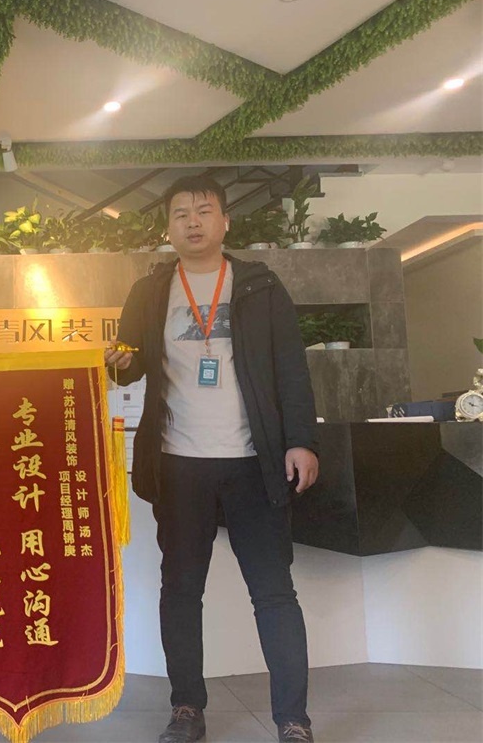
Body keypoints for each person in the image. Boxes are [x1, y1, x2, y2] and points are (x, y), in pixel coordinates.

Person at [105, 175, 319, 743]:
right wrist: (117, 363)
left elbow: (291, 367)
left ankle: (293, 719)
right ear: (168, 228)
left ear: (225, 221)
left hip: (255, 461)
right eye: (180, 214)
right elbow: (130, 362)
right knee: (180, 591)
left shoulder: (259, 285)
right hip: (178, 463)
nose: (192, 222)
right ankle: (186, 709)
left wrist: (301, 440)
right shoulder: (150, 290)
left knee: (273, 592)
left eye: (203, 211)